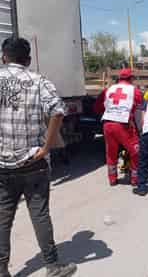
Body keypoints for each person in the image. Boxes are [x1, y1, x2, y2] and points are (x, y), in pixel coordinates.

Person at [0, 37, 77, 277]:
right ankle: (52, 266)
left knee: (3, 217)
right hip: (34, 162)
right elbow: (57, 110)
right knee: (40, 213)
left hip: (2, 163)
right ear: (29, 59)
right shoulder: (39, 81)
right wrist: (46, 147)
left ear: (3, 56)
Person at [94, 68, 142, 186]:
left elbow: (97, 108)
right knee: (136, 151)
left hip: (108, 124)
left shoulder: (108, 90)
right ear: (131, 78)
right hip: (123, 125)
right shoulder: (134, 91)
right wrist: (140, 129)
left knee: (111, 152)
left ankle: (112, 178)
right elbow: (138, 112)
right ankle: (135, 179)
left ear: (119, 78)